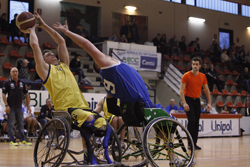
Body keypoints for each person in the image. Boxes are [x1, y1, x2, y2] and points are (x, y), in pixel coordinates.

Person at [54, 20, 183, 165]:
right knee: (170, 120)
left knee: (160, 125)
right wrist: (67, 32)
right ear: (99, 63)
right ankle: (174, 158)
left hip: (132, 110)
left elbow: (111, 105)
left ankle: (172, 155)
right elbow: (86, 44)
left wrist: (121, 110)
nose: (105, 55)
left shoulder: (107, 81)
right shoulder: (108, 64)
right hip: (144, 106)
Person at [22, 12, 107, 164]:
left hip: (83, 107)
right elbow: (35, 46)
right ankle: (90, 155)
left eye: (52, 53)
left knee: (102, 124)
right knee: (88, 119)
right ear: (44, 60)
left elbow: (61, 41)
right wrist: (32, 29)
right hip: (66, 110)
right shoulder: (44, 71)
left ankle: (91, 154)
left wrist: (44, 25)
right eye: (47, 54)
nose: (52, 55)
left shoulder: (64, 65)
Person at [179, 57, 212, 150]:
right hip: (188, 100)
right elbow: (181, 91)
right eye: (193, 64)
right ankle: (189, 142)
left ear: (200, 66)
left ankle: (194, 143)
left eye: (197, 64)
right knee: (192, 120)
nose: (195, 66)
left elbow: (206, 90)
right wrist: (184, 103)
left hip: (197, 100)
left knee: (196, 122)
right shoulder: (186, 75)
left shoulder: (203, 76)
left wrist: (209, 103)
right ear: (191, 65)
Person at [2, 67, 32, 146]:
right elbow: (3, 95)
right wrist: (6, 105)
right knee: (11, 124)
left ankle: (22, 140)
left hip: (19, 107)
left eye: (16, 71)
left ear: (18, 73)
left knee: (20, 124)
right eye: (13, 71)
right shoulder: (7, 83)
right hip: (10, 107)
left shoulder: (22, 83)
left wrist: (28, 105)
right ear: (10, 73)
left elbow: (26, 94)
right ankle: (12, 140)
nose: (15, 73)